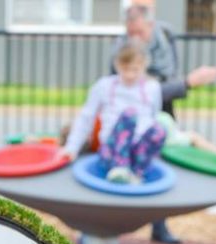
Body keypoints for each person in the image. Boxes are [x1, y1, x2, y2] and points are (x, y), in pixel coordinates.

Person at [114, 4, 216, 244]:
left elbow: (165, 78)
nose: (134, 38)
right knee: (124, 164)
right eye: (130, 32)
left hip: (161, 110)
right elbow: (129, 84)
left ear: (150, 26)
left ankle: (159, 225)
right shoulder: (122, 47)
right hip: (128, 116)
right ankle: (108, 225)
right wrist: (187, 83)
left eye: (139, 32)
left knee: (158, 163)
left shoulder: (165, 37)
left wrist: (173, 84)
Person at [61, 39, 166, 185]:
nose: (130, 75)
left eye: (135, 69)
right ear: (117, 65)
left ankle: (137, 173)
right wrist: (71, 148)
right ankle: (119, 168)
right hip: (111, 151)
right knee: (129, 115)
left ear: (144, 66)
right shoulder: (104, 85)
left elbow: (154, 115)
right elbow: (86, 118)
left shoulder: (152, 87)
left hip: (136, 152)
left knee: (159, 130)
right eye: (125, 69)